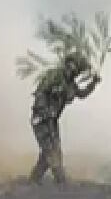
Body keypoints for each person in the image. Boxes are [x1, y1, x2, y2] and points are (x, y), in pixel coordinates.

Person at [29, 53, 99, 185]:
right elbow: (40, 93)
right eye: (70, 65)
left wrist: (93, 83)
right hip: (41, 119)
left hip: (52, 121)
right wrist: (45, 111)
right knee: (51, 151)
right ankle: (60, 181)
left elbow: (81, 94)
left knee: (52, 150)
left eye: (75, 68)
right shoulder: (54, 76)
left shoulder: (70, 84)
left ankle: (35, 179)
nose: (72, 69)